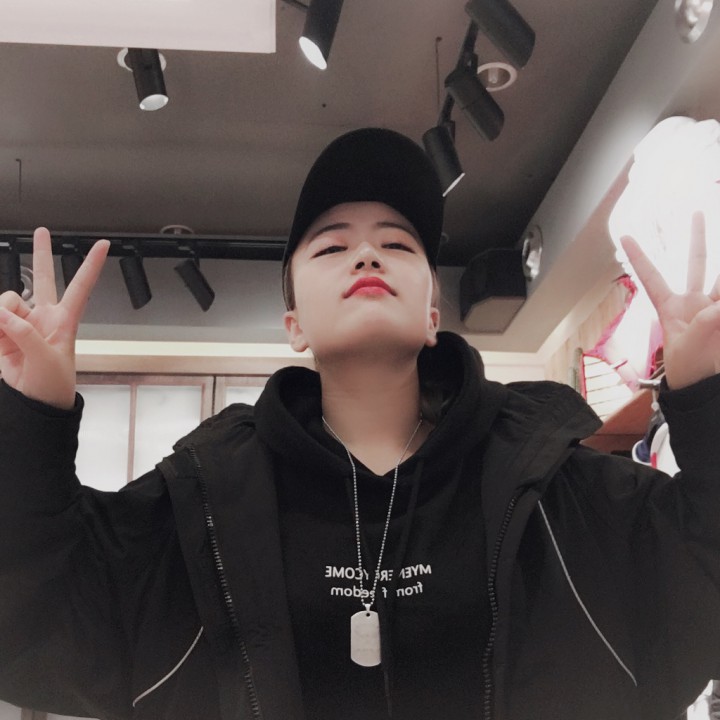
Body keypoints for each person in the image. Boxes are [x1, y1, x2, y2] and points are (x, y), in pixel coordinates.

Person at [0, 127, 719, 720]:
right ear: (294, 324)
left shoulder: (557, 488)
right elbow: (35, 623)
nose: (368, 252)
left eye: (399, 244)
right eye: (331, 246)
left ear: (432, 314)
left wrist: (706, 399)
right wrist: (32, 418)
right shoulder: (203, 502)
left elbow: (701, 582)